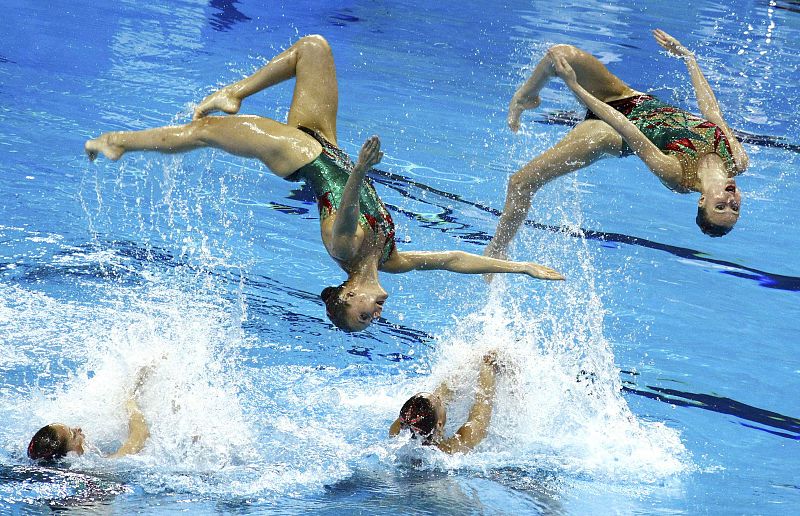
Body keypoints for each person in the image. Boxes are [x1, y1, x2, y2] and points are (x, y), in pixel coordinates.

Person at [84, 35, 563, 332]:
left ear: (347, 296)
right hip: (325, 144)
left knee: (205, 131)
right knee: (313, 48)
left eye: (364, 316)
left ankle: (118, 141)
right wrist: (519, 267)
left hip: (298, 157)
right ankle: (234, 92)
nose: (376, 314)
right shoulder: (391, 262)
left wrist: (360, 170)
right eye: (373, 321)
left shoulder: (343, 251)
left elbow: (349, 205)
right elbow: (452, 259)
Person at [485, 29, 750, 261]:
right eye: (734, 206)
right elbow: (713, 114)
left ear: (702, 201)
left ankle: (496, 249)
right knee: (560, 54)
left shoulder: (676, 174)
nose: (729, 200)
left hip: (609, 132)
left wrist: (575, 86)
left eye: (721, 206)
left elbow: (626, 128)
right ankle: (525, 98)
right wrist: (688, 57)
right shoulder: (737, 160)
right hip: (628, 98)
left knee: (520, 183)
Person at [27, 369, 150, 461]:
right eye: (74, 435)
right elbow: (139, 436)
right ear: (71, 453)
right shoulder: (105, 466)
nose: (78, 429)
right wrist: (130, 400)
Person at [389, 352, 499, 454]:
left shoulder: (396, 431)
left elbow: (419, 411)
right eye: (439, 402)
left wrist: (465, 367)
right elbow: (483, 405)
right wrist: (487, 366)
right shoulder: (454, 448)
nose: (439, 397)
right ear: (439, 424)